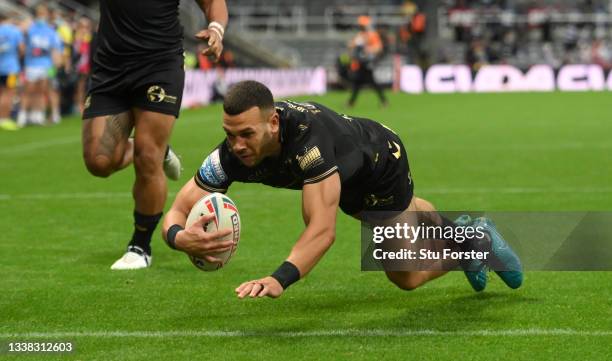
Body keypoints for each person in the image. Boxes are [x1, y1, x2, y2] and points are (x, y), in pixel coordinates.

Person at [162, 80, 523, 299]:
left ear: (273, 123)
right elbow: (178, 209)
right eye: (230, 134)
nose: (237, 145)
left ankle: (474, 244)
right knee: (404, 211)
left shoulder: (308, 143)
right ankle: (466, 232)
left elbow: (322, 231)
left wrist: (279, 278)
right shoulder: (230, 155)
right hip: (345, 174)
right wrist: (180, 238)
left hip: (379, 162)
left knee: (405, 276)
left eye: (246, 134)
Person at [81, 0, 228, 270]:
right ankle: (156, 150)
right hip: (109, 67)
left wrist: (216, 29)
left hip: (159, 65)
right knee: (98, 162)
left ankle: (140, 246)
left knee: (148, 156)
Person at [18, 4, 63, 127]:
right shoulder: (30, 28)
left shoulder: (50, 31)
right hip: (31, 65)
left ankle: (38, 114)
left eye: (43, 14)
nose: (41, 16)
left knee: (42, 90)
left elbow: (55, 49)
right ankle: (23, 115)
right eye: (39, 13)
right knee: (28, 90)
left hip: (46, 66)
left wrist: (56, 64)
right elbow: (22, 40)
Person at [347, 16, 388, 108]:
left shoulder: (372, 35)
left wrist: (368, 49)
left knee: (369, 82)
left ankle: (384, 101)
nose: (361, 27)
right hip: (362, 62)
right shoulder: (360, 35)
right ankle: (351, 102)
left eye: (362, 25)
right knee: (359, 82)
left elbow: (379, 48)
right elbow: (352, 45)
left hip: (368, 62)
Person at [0, 12, 25, 131]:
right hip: (10, 67)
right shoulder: (14, 31)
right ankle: (4, 119)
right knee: (8, 93)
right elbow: (21, 49)